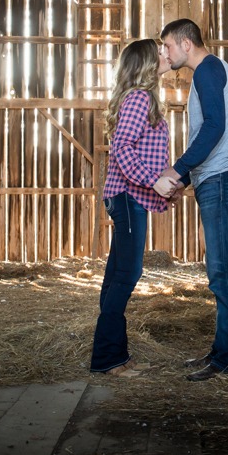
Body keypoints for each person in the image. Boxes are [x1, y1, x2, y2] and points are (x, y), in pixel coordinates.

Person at [153, 19, 228, 381]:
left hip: (224, 180)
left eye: (167, 46)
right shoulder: (208, 72)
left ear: (185, 43)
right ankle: (225, 352)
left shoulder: (208, 70)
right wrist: (187, 177)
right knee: (222, 272)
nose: (164, 53)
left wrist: (176, 171)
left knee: (225, 273)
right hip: (218, 179)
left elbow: (214, 128)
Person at [89, 38, 174, 377]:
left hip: (128, 195)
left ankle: (116, 355)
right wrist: (153, 182)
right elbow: (121, 148)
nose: (166, 55)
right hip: (128, 195)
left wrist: (166, 185)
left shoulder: (142, 99)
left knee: (116, 275)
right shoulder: (139, 98)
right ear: (146, 64)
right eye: (160, 52)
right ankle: (108, 359)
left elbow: (141, 152)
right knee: (127, 273)